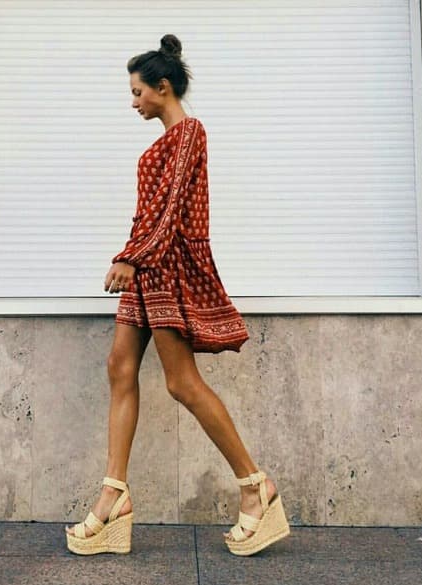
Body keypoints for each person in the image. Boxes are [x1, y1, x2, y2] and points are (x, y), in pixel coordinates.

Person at [65, 34, 290, 557]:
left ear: (162, 87)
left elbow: (169, 209)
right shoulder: (162, 143)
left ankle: (255, 487)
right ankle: (113, 498)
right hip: (146, 263)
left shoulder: (190, 133)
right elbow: (150, 212)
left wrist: (133, 256)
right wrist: (132, 255)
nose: (133, 102)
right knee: (120, 367)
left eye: (138, 92)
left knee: (181, 383)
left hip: (165, 264)